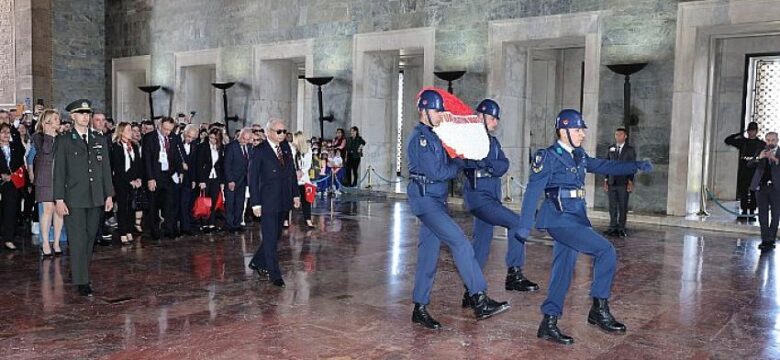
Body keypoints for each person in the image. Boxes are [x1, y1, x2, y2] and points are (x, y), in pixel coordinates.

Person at [517, 109, 652, 345]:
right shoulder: (548, 156)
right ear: (564, 131)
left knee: (563, 269)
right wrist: (523, 226)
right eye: (579, 130)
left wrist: (635, 165)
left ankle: (548, 322)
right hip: (558, 219)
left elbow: (604, 166)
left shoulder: (578, 155)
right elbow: (532, 191)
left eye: (583, 129)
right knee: (605, 250)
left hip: (575, 217)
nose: (583, 134)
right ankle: (598, 309)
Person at [407, 90, 509, 330]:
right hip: (426, 201)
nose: (441, 115)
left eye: (442, 111)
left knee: (428, 255)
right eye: (437, 111)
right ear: (424, 112)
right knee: (461, 243)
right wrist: (459, 162)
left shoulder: (434, 135)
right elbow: (439, 172)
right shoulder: (420, 139)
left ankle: (419, 308)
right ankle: (479, 298)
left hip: (436, 200)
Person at [460, 99, 539, 309]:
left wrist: (488, 164)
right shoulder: (469, 139)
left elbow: (503, 164)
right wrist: (489, 165)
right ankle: (514, 273)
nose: (495, 122)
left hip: (490, 197)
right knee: (517, 223)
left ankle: (471, 292)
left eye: (496, 118)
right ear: (480, 117)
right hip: (479, 197)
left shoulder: (492, 142)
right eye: (492, 118)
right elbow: (471, 162)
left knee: (481, 246)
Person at [53, 99, 114, 297]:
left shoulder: (99, 139)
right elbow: (59, 172)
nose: (85, 117)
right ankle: (82, 280)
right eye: (81, 114)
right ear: (72, 117)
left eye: (87, 114)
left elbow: (105, 170)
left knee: (89, 238)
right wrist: (59, 199)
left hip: (95, 196)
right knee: (78, 239)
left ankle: (78, 269)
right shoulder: (63, 140)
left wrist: (109, 195)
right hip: (74, 197)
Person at [248, 119, 301, 288]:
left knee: (275, 235)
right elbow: (253, 178)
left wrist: (296, 194)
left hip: (283, 198)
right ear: (269, 132)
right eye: (279, 131)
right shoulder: (259, 150)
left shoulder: (285, 148)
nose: (282, 134)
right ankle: (274, 273)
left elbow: (291, 172)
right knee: (270, 237)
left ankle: (257, 261)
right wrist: (255, 203)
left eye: (284, 131)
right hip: (267, 200)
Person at [30, 109, 64, 256]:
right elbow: (46, 151)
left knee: (59, 210)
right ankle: (45, 243)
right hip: (44, 178)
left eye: (58, 119)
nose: (58, 121)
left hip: (60, 178)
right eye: (55, 119)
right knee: (48, 209)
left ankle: (56, 242)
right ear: (47, 121)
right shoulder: (38, 137)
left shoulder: (62, 137)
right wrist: (49, 135)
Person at [142, 117, 182, 240]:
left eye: (170, 130)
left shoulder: (174, 138)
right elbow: (147, 159)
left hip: (168, 175)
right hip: (155, 175)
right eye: (165, 129)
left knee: (169, 203)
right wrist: (150, 178)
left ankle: (169, 229)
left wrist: (179, 171)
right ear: (160, 125)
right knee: (153, 204)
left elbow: (177, 156)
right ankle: (153, 231)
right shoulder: (149, 137)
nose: (167, 132)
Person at [725, 122, 765, 220]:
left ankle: (751, 212)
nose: (751, 132)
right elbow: (728, 140)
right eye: (750, 130)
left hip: (755, 171)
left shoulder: (761, 144)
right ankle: (744, 211)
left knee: (753, 192)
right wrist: (740, 133)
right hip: (744, 170)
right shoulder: (743, 142)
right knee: (743, 191)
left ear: (756, 131)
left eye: (753, 130)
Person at [110, 122, 143, 244]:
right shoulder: (116, 146)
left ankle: (129, 230)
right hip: (121, 181)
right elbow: (117, 167)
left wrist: (139, 178)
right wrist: (129, 180)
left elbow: (138, 164)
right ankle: (123, 232)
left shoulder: (134, 146)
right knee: (122, 207)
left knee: (131, 206)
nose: (131, 132)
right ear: (121, 131)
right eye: (128, 130)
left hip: (134, 181)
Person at [747, 132, 780, 251]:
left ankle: (771, 239)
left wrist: (775, 159)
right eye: (768, 140)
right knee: (763, 215)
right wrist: (759, 158)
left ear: (777, 140)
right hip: (761, 187)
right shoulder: (761, 150)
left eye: (773, 140)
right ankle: (765, 239)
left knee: (776, 215)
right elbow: (749, 164)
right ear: (766, 141)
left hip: (776, 188)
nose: (770, 142)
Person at [603, 128, 636, 237]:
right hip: (612, 181)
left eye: (620, 134)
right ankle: (612, 227)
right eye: (616, 134)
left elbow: (632, 166)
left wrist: (630, 181)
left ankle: (621, 227)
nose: (618, 136)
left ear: (625, 136)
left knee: (622, 206)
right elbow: (606, 165)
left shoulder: (630, 150)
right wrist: (606, 180)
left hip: (623, 182)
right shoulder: (611, 148)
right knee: (612, 206)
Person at [0, 123, 25, 251]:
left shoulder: (15, 147)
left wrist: (13, 175)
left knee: (10, 211)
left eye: (8, 132)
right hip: (1, 182)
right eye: (3, 132)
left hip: (12, 184)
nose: (5, 135)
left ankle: (8, 239)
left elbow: (20, 163)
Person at [195, 128, 225, 233]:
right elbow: (198, 165)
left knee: (213, 200)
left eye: (215, 138)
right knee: (204, 201)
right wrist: (201, 180)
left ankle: (211, 223)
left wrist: (222, 182)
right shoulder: (202, 147)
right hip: (205, 177)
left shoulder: (220, 148)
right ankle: (203, 224)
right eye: (211, 137)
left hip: (215, 177)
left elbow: (221, 165)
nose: (212, 140)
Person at [223, 127, 252, 233]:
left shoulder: (249, 147)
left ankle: (237, 223)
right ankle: (230, 225)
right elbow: (227, 165)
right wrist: (230, 180)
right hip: (232, 180)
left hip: (243, 180)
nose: (245, 141)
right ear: (240, 135)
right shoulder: (231, 147)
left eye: (248, 139)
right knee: (230, 203)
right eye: (244, 138)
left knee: (240, 202)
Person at [177, 124, 200, 236]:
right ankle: (179, 227)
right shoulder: (176, 141)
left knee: (186, 203)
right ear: (184, 133)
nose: (190, 140)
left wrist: (194, 179)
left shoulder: (194, 145)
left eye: (193, 138)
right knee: (178, 203)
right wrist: (181, 166)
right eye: (189, 137)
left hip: (189, 179)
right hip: (176, 178)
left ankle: (186, 226)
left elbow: (195, 163)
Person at [292, 131, 314, 228]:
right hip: (293, 178)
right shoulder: (292, 149)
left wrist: (301, 172)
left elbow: (308, 165)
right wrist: (295, 173)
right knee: (289, 200)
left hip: (304, 179)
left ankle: (308, 219)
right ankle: (285, 220)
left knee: (307, 200)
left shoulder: (308, 150)